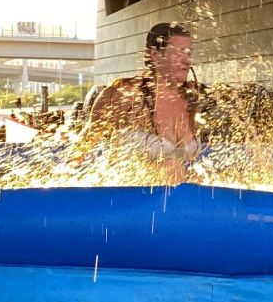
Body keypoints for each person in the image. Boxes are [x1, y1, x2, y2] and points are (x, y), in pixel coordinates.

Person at [87, 22, 205, 182]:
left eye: (189, 52)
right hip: (132, 201)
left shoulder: (191, 98)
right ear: (155, 54)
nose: (187, 60)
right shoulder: (124, 94)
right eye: (179, 53)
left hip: (182, 204)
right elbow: (83, 147)